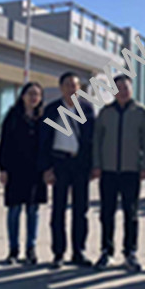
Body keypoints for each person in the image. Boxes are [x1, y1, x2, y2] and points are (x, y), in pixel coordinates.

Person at [92, 75, 145, 272]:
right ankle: (106, 252)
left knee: (131, 214)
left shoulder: (141, 113)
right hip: (108, 171)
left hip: (131, 171)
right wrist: (97, 164)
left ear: (131, 89)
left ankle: (130, 253)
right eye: (118, 88)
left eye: (125, 87)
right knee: (106, 213)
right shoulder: (105, 113)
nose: (122, 91)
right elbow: (97, 142)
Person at [39, 71, 95, 269]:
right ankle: (58, 253)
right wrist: (46, 168)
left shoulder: (87, 109)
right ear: (61, 87)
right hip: (59, 163)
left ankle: (79, 251)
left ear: (79, 88)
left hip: (79, 165)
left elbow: (91, 142)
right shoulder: (51, 110)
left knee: (81, 211)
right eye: (68, 85)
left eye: (75, 85)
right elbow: (43, 142)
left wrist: (92, 166)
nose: (72, 88)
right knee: (58, 211)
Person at [0, 81, 48, 265]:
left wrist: (48, 168)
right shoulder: (13, 116)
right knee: (14, 210)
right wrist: (2, 168)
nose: (33, 97)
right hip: (15, 170)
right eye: (30, 93)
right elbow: (4, 144)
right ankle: (13, 249)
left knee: (33, 211)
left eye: (37, 94)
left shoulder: (43, 118)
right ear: (23, 96)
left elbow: (48, 146)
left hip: (36, 172)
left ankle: (31, 249)